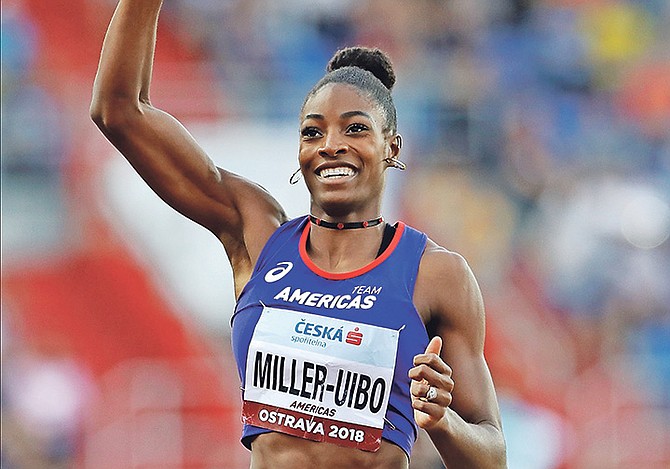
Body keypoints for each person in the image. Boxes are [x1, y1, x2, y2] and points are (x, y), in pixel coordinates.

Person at [90, 1, 507, 468]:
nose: (331, 145)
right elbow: (118, 110)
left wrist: (443, 421)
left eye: (355, 129)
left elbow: (492, 458)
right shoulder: (256, 235)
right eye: (313, 132)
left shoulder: (436, 275)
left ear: (391, 147)